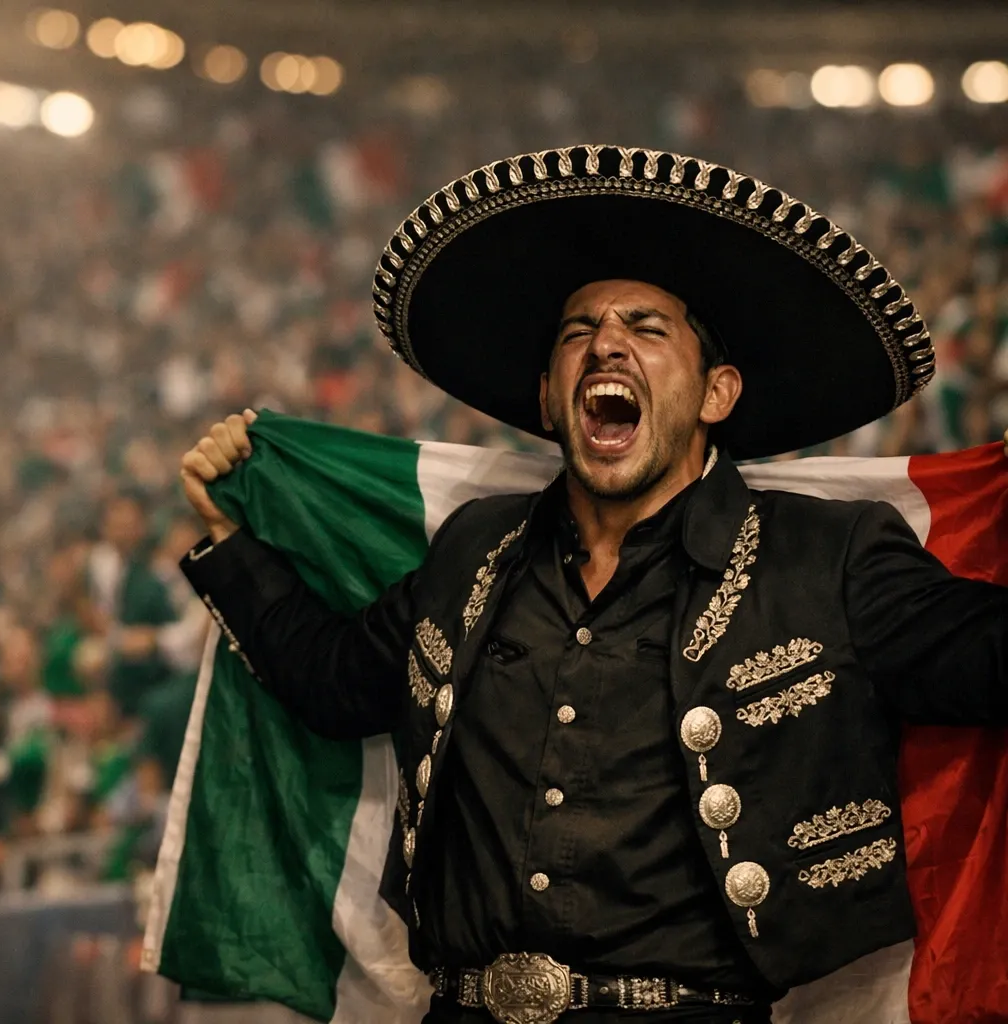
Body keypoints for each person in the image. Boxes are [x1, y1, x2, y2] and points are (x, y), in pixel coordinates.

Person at [175, 145, 1008, 1024]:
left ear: (717, 393)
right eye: (579, 332)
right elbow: (335, 684)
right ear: (548, 397)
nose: (606, 341)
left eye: (648, 328)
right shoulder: (474, 547)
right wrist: (230, 538)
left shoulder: (828, 555)